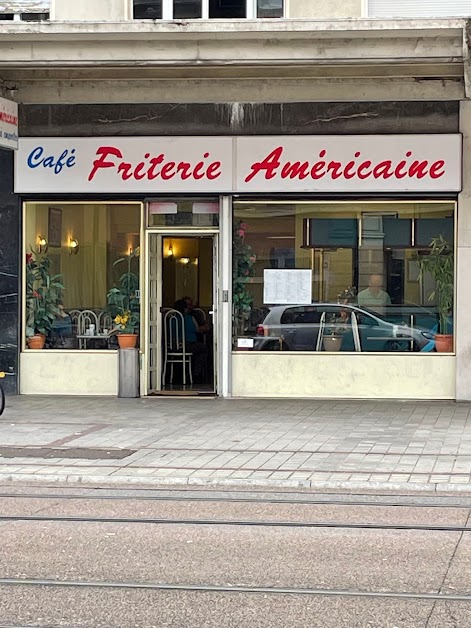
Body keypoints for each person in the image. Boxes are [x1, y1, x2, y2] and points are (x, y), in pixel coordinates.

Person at [172, 299, 208, 384]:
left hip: (173, 346)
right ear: (185, 308)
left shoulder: (170, 318)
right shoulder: (190, 318)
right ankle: (196, 374)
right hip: (188, 345)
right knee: (203, 348)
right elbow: (197, 329)